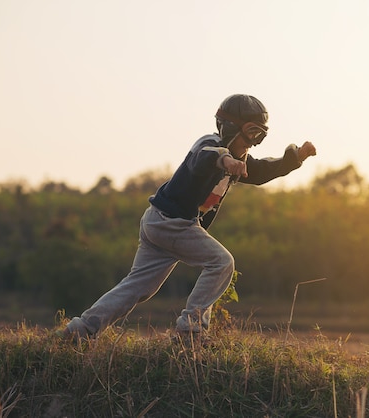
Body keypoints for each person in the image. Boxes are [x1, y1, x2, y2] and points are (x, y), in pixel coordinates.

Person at [61, 94, 316, 340]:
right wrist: (225, 160)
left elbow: (261, 171)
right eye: (251, 133)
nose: (253, 142)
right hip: (174, 223)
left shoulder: (240, 159)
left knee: (138, 287)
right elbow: (206, 157)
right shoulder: (209, 145)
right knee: (221, 262)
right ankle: (191, 330)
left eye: (260, 135)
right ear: (229, 128)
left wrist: (294, 159)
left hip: (157, 222)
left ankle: (81, 330)